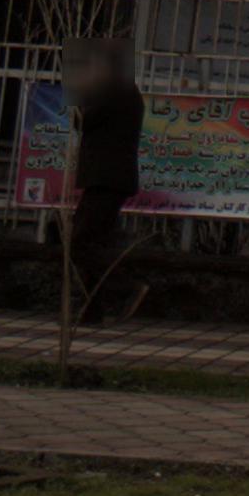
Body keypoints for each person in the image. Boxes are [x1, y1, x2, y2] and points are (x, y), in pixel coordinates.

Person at [68, 40, 146, 324]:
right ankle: (93, 309)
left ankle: (124, 289)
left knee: (81, 243)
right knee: (93, 243)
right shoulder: (124, 90)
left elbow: (83, 121)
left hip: (106, 178)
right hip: (109, 178)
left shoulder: (112, 90)